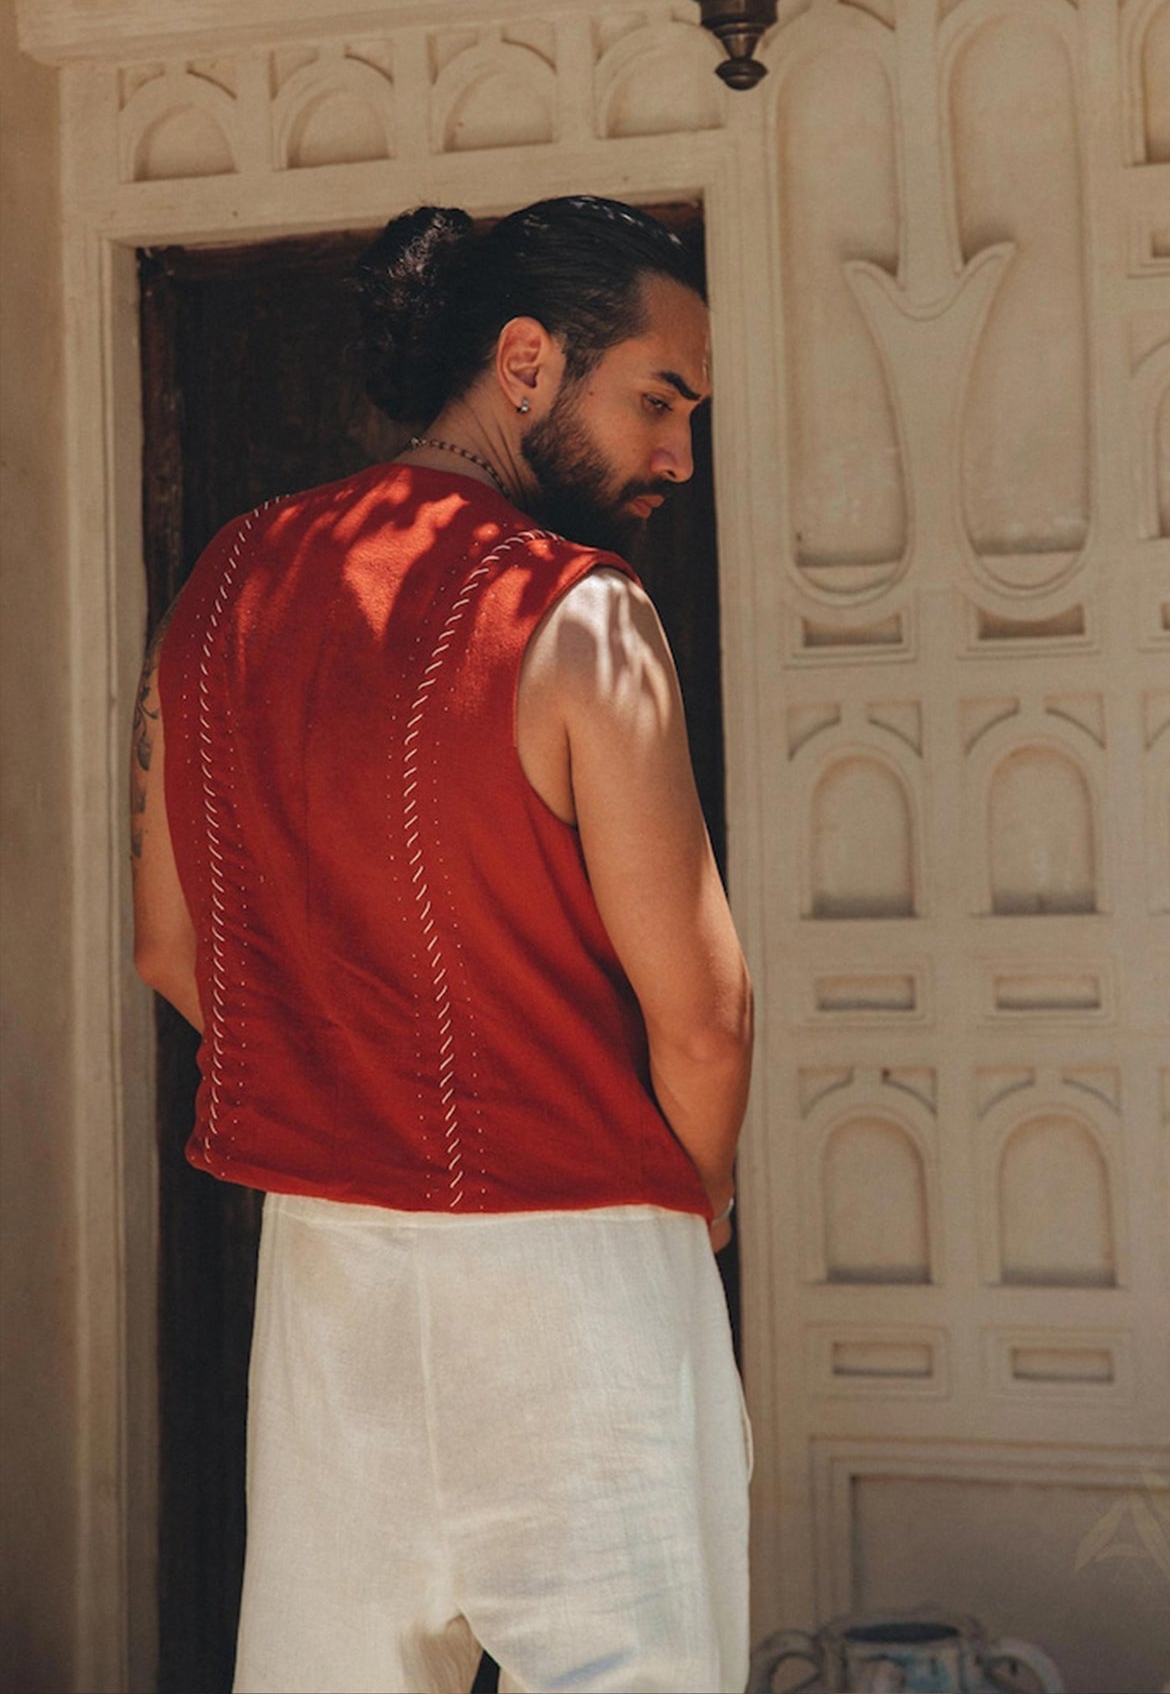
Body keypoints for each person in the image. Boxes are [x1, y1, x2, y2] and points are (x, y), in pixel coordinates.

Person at [130, 197, 755, 1694]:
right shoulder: (581, 612)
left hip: (329, 1275)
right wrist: (702, 1204)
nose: (677, 453)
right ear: (525, 362)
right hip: (585, 1265)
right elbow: (705, 1016)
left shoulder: (220, 588)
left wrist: (357, 1085)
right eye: (656, 399)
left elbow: (171, 948)